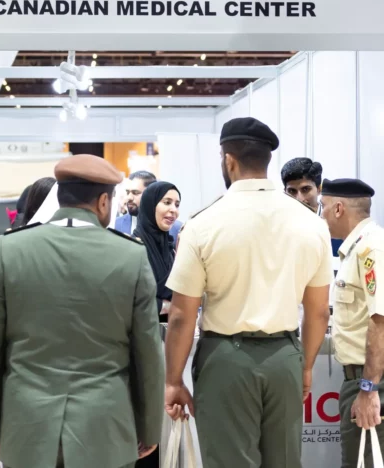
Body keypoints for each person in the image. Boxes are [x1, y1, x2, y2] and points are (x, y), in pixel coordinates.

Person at [0, 154, 164, 468]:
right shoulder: (131, 255)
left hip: (26, 426)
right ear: (103, 202)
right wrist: (149, 427)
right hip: (105, 429)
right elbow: (148, 354)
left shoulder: (10, 249)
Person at [164, 117, 333, 468]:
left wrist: (173, 379)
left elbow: (181, 315)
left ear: (229, 160)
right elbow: (318, 312)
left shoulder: (202, 224)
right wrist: (305, 366)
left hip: (225, 359)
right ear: (268, 160)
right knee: (285, 461)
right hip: (285, 356)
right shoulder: (312, 225)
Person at [319, 178, 384, 467]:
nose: (321, 214)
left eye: (323, 207)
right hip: (361, 380)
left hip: (370, 382)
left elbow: (380, 321)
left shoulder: (371, 249)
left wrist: (369, 389)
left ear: (338, 208)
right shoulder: (358, 248)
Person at [134, 181, 181, 321]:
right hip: (141, 330)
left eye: (177, 205)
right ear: (150, 205)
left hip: (169, 329)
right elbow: (128, 300)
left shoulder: (170, 249)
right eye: (167, 202)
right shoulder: (133, 247)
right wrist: (166, 306)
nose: (174, 210)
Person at [116, 171, 182, 241]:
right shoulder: (116, 224)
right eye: (127, 192)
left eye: (135, 193)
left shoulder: (178, 229)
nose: (129, 198)